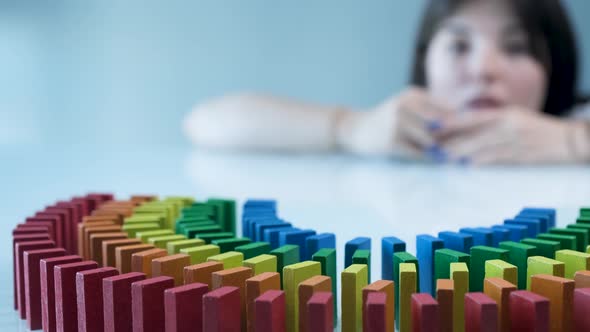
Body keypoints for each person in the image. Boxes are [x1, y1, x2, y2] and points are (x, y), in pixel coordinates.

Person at [183, 0, 590, 165]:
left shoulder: (579, 120)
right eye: (459, 45)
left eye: (517, 46)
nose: (484, 69)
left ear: (555, 64)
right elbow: (206, 122)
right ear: (424, 63)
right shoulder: (400, 134)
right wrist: (349, 127)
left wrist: (574, 142)